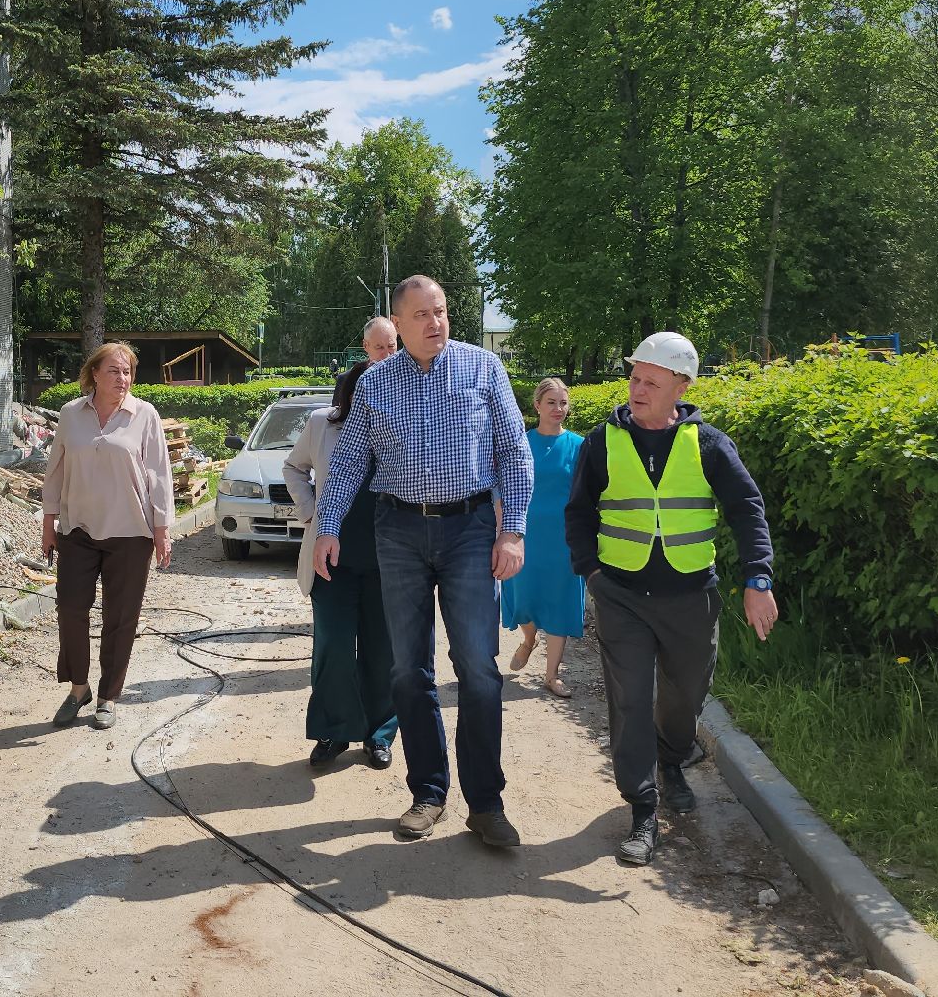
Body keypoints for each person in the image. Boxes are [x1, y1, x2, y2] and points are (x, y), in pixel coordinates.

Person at [314, 275, 533, 847]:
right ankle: (429, 793)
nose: (435, 322)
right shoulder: (374, 385)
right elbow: (350, 461)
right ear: (398, 322)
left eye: (441, 311)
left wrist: (513, 532)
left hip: (469, 528)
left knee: (479, 669)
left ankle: (486, 803)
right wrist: (327, 527)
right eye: (421, 315)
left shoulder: (484, 368)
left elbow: (514, 451)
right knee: (408, 670)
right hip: (400, 531)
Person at [566, 331, 778, 867]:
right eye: (635, 377)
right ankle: (642, 808)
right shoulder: (602, 441)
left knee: (685, 695)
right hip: (622, 595)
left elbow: (746, 510)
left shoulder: (708, 444)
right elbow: (579, 512)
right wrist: (590, 572)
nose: (637, 389)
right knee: (630, 699)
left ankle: (672, 756)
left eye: (651, 382)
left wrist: (758, 580)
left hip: (690, 595)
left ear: (680, 387)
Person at [40, 342, 174, 731]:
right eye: (114, 371)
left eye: (128, 372)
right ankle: (78, 688)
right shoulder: (71, 414)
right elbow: (56, 472)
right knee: (70, 610)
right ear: (94, 374)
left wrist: (162, 529)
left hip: (131, 533)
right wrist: (49, 525)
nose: (123, 379)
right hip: (78, 530)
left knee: (121, 618)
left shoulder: (144, 415)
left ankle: (108, 696)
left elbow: (160, 476)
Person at [283, 361, 397, 770]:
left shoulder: (397, 426)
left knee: (381, 650)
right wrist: (311, 512)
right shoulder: (322, 424)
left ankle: (379, 734)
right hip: (330, 559)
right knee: (332, 646)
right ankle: (332, 730)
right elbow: (293, 467)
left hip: (388, 559)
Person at [501, 378, 588, 697]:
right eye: (551, 402)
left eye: (563, 403)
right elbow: (503, 487)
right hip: (526, 534)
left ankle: (551, 676)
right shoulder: (521, 443)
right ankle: (528, 639)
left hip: (564, 538)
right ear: (537, 405)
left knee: (561, 602)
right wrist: (501, 530)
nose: (558, 409)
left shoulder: (579, 446)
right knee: (523, 598)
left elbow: (588, 491)